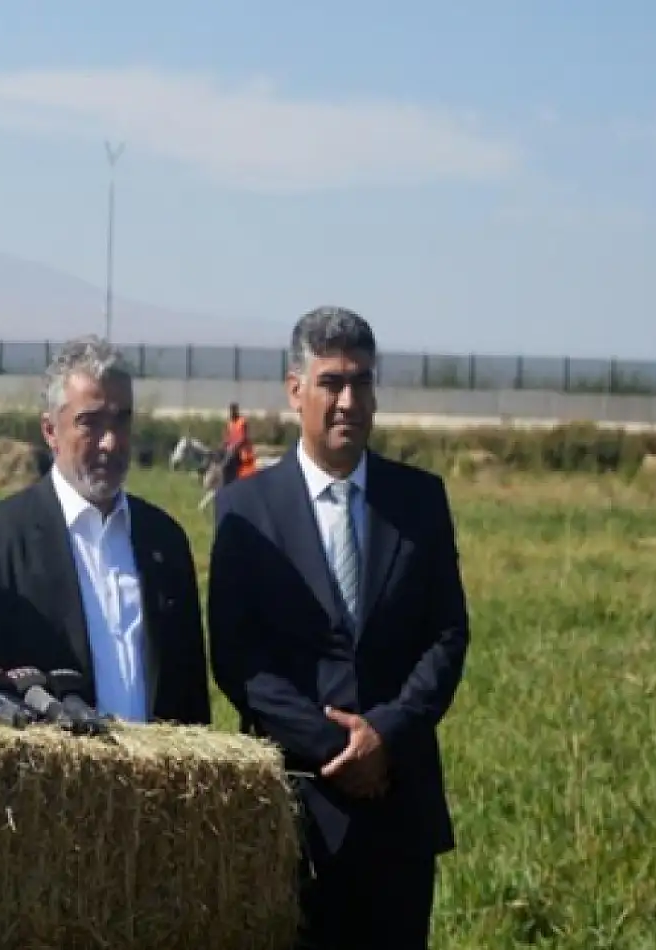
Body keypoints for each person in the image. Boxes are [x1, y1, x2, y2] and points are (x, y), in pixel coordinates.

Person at [207, 306, 470, 950]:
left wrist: (386, 734)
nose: (348, 400)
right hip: (296, 809)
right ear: (296, 391)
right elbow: (239, 659)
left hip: (399, 802)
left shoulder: (419, 500)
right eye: (331, 383)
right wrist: (332, 746)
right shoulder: (246, 510)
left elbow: (447, 636)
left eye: (361, 382)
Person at [0, 336, 210, 726]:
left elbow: (191, 694)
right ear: (50, 430)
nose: (110, 442)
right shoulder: (0, 541)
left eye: (121, 421)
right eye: (90, 423)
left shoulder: (164, 541)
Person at [223, 402, 258, 483]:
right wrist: (225, 444)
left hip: (243, 450)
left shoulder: (242, 421)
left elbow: (243, 437)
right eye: (231, 411)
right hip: (232, 450)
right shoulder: (229, 423)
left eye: (234, 411)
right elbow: (227, 437)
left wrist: (234, 447)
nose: (232, 413)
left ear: (237, 411)